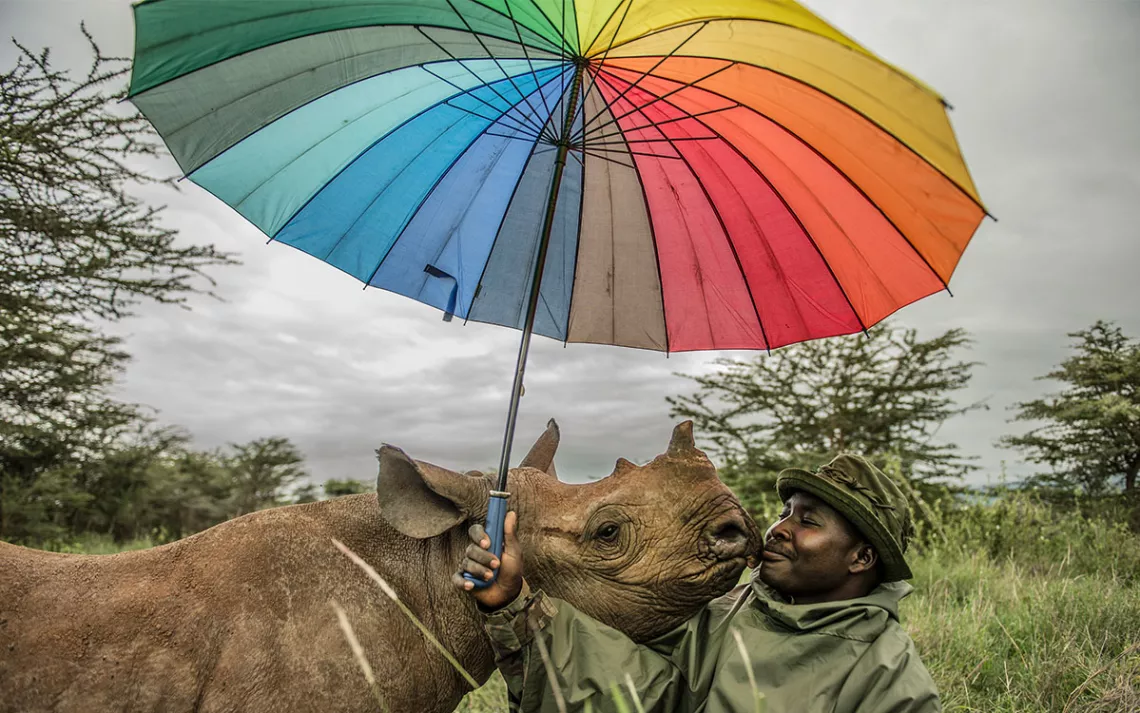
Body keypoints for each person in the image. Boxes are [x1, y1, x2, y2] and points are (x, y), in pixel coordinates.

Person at [453, 455, 941, 713]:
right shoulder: (725, 613)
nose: (778, 529)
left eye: (807, 521)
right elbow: (636, 692)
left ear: (862, 557)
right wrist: (515, 603)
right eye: (784, 513)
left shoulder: (887, 674)